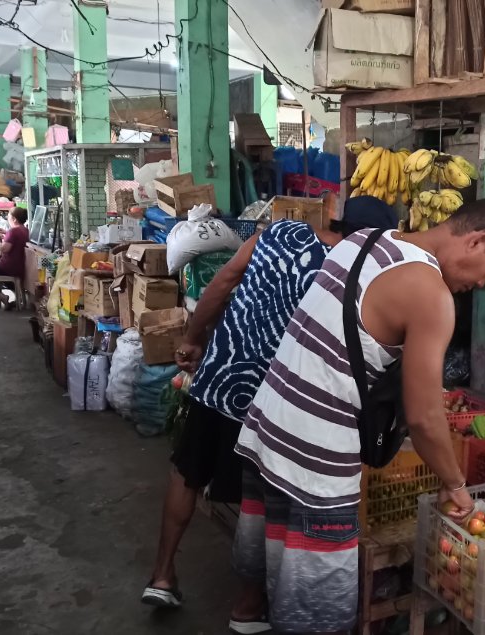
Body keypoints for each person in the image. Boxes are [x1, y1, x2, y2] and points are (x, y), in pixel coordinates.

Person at [232, 198, 485, 635]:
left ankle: (246, 620)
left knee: (275, 574)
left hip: (267, 428)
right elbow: (424, 417)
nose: (482, 283)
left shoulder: (365, 241)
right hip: (317, 462)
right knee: (318, 613)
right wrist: (455, 484)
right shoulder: (430, 294)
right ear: (476, 240)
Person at [140, 197, 399, 634]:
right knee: (261, 496)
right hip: (274, 398)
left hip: (221, 374)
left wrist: (192, 337)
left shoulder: (276, 233)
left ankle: (163, 575)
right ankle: (247, 606)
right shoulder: (350, 273)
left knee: (185, 473)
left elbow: (223, 282)